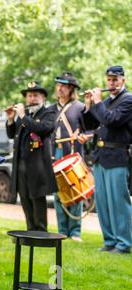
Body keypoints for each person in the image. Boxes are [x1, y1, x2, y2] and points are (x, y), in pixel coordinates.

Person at [83, 65, 132, 254]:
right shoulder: (104, 102)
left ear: (123, 80)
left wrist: (97, 103)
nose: (111, 83)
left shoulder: (128, 100)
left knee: (118, 202)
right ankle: (109, 241)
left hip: (117, 156)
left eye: (115, 79)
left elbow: (111, 120)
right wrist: (89, 105)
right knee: (103, 202)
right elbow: (90, 124)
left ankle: (124, 243)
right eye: (109, 80)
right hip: (101, 157)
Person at [5, 81, 57, 231]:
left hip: (37, 164)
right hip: (21, 163)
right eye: (29, 96)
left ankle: (41, 230)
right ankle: (30, 229)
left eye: (35, 95)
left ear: (43, 98)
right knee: (24, 197)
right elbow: (11, 134)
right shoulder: (25, 115)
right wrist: (10, 119)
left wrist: (21, 115)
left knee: (37, 196)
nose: (31, 99)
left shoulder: (48, 113)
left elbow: (42, 129)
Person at [50, 72, 87, 241]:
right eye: (59, 85)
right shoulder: (51, 109)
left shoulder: (80, 108)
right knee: (58, 193)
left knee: (75, 192)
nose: (60, 88)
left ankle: (75, 232)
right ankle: (62, 230)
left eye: (64, 86)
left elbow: (90, 130)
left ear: (71, 89)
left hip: (72, 153)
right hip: (54, 153)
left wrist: (83, 135)